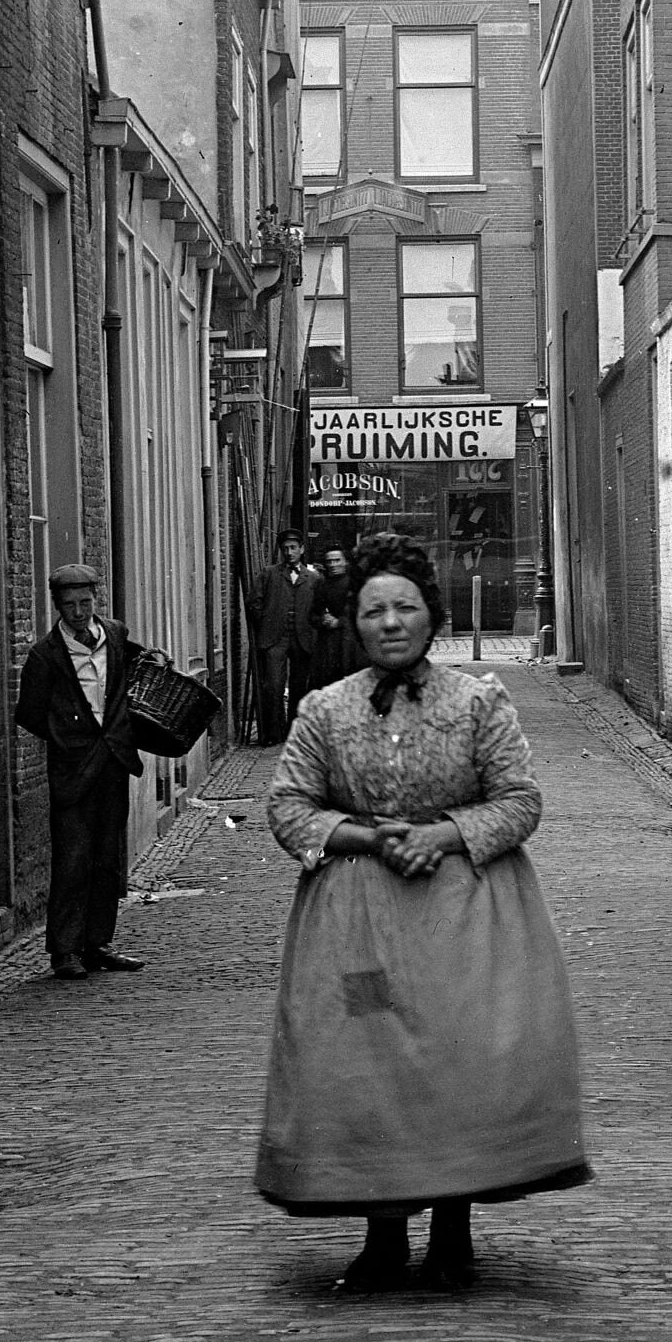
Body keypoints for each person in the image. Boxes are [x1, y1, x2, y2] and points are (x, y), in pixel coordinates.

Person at [256, 537, 589, 1293]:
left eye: (404, 607)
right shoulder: (324, 711)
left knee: (456, 1059)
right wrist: (367, 837)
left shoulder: (477, 702)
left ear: (431, 616)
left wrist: (443, 835)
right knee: (369, 1064)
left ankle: (452, 1230)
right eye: (373, 609)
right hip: (358, 917)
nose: (390, 622)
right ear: (353, 620)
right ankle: (382, 1238)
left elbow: (520, 800)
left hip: (464, 913)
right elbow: (287, 807)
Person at [13, 560, 147, 983]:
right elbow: (29, 714)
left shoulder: (116, 635)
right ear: (57, 605)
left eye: (85, 603)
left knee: (107, 858)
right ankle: (65, 950)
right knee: (73, 858)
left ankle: (97, 943)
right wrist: (68, 737)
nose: (78, 612)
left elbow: (134, 666)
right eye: (69, 605)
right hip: (72, 771)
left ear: (95, 600)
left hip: (114, 762)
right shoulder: (45, 655)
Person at [249, 532, 319, 746]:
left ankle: (295, 733)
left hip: (303, 639)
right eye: (285, 548)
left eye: (293, 547)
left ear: (302, 549)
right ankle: (273, 734)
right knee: (273, 686)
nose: (289, 552)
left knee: (300, 687)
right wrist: (267, 622)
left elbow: (319, 607)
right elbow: (254, 602)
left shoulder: (313, 578)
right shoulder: (269, 574)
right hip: (275, 638)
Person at [304, 542, 361, 691]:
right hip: (327, 644)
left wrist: (339, 621)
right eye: (329, 561)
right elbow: (312, 614)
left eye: (337, 560)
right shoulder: (321, 584)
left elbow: (360, 613)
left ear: (345, 562)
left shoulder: (356, 584)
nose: (333, 564)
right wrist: (323, 619)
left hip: (350, 642)